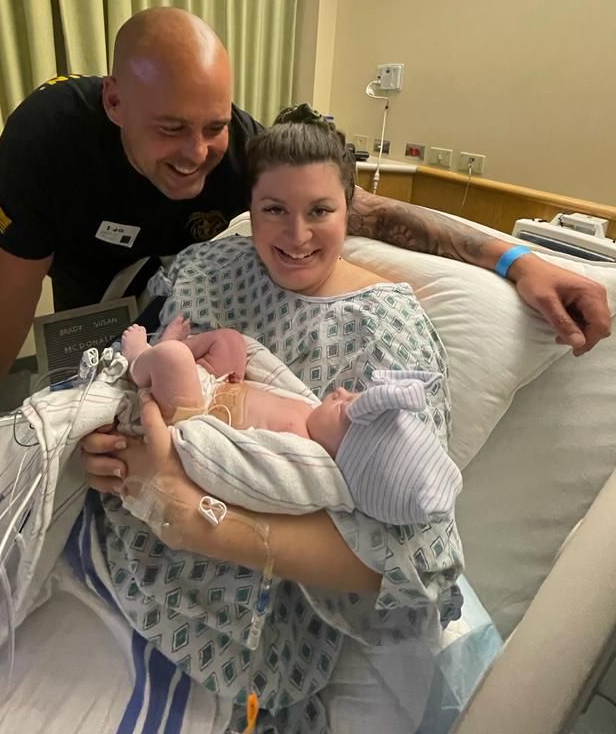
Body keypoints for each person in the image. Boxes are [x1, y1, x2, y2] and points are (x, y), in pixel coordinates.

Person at [0, 6, 611, 414]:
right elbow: (7, 295)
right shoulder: (47, 143)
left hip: (187, 320)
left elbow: (364, 211)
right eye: (171, 129)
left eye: (212, 125)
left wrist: (518, 260)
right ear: (114, 103)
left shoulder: (239, 147)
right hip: (90, 297)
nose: (196, 153)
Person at [78, 107, 472, 731]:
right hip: (113, 545)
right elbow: (138, 376)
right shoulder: (208, 270)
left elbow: (422, 556)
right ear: (248, 207)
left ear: (351, 207)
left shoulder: (386, 331)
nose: (296, 235)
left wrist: (195, 519)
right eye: (273, 211)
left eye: (320, 211)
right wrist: (100, 437)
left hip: (245, 614)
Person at [121, 317, 462, 524]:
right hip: (220, 386)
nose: (342, 392)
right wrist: (244, 365)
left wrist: (190, 439)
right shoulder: (314, 418)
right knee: (230, 341)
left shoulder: (309, 465)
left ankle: (141, 359)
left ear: (347, 457)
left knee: (173, 356)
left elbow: (241, 473)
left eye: (345, 407)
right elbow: (277, 380)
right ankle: (166, 361)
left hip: (193, 419)